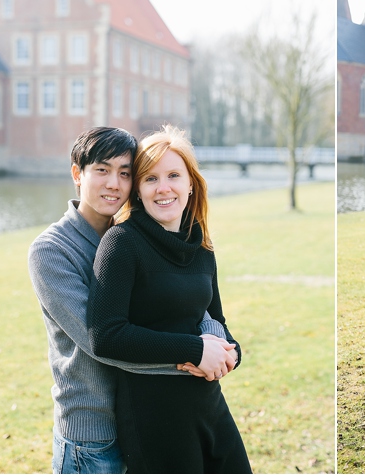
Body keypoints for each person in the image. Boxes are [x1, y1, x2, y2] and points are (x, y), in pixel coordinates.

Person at [28, 127, 232, 474]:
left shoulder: (130, 238)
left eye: (125, 173)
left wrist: (216, 339)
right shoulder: (51, 251)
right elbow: (103, 342)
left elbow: (176, 311)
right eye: (102, 170)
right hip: (92, 437)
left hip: (140, 420)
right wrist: (198, 354)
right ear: (78, 174)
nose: (114, 184)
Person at [87, 125, 251, 473]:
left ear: (191, 184)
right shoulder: (121, 244)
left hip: (208, 406)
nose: (164, 188)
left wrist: (232, 353)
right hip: (154, 417)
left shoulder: (201, 245)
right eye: (150, 179)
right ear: (139, 191)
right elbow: (105, 336)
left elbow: (217, 320)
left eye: (174, 175)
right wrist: (194, 350)